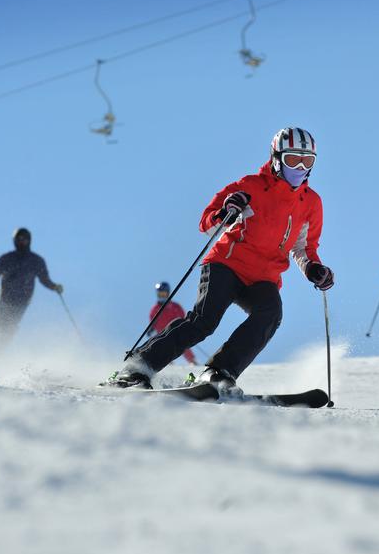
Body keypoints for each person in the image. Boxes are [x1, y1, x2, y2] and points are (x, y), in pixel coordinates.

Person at [112, 127, 334, 390]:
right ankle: (138, 366)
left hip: (263, 277)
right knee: (204, 320)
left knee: (270, 314)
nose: (299, 166)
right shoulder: (249, 186)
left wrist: (314, 269)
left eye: (307, 161)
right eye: (292, 159)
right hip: (227, 264)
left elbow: (304, 248)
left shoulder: (311, 203)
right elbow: (206, 224)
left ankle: (219, 372)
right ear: (276, 158)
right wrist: (228, 210)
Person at [0, 228, 63, 353]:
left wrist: (54, 287)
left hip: (21, 303)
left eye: (25, 239)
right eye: (19, 239)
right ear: (14, 240)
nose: (22, 241)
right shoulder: (7, 258)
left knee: (8, 329)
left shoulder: (36, 261)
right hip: (5, 301)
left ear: (30, 240)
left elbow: (44, 279)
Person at [149, 281, 196, 365]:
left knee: (182, 344)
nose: (162, 296)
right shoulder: (155, 309)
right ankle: (168, 364)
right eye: (160, 294)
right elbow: (152, 320)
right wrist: (151, 328)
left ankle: (192, 361)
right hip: (163, 334)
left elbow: (182, 316)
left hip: (176, 331)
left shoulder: (174, 306)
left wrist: (185, 325)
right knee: (164, 347)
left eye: (164, 294)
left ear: (168, 294)